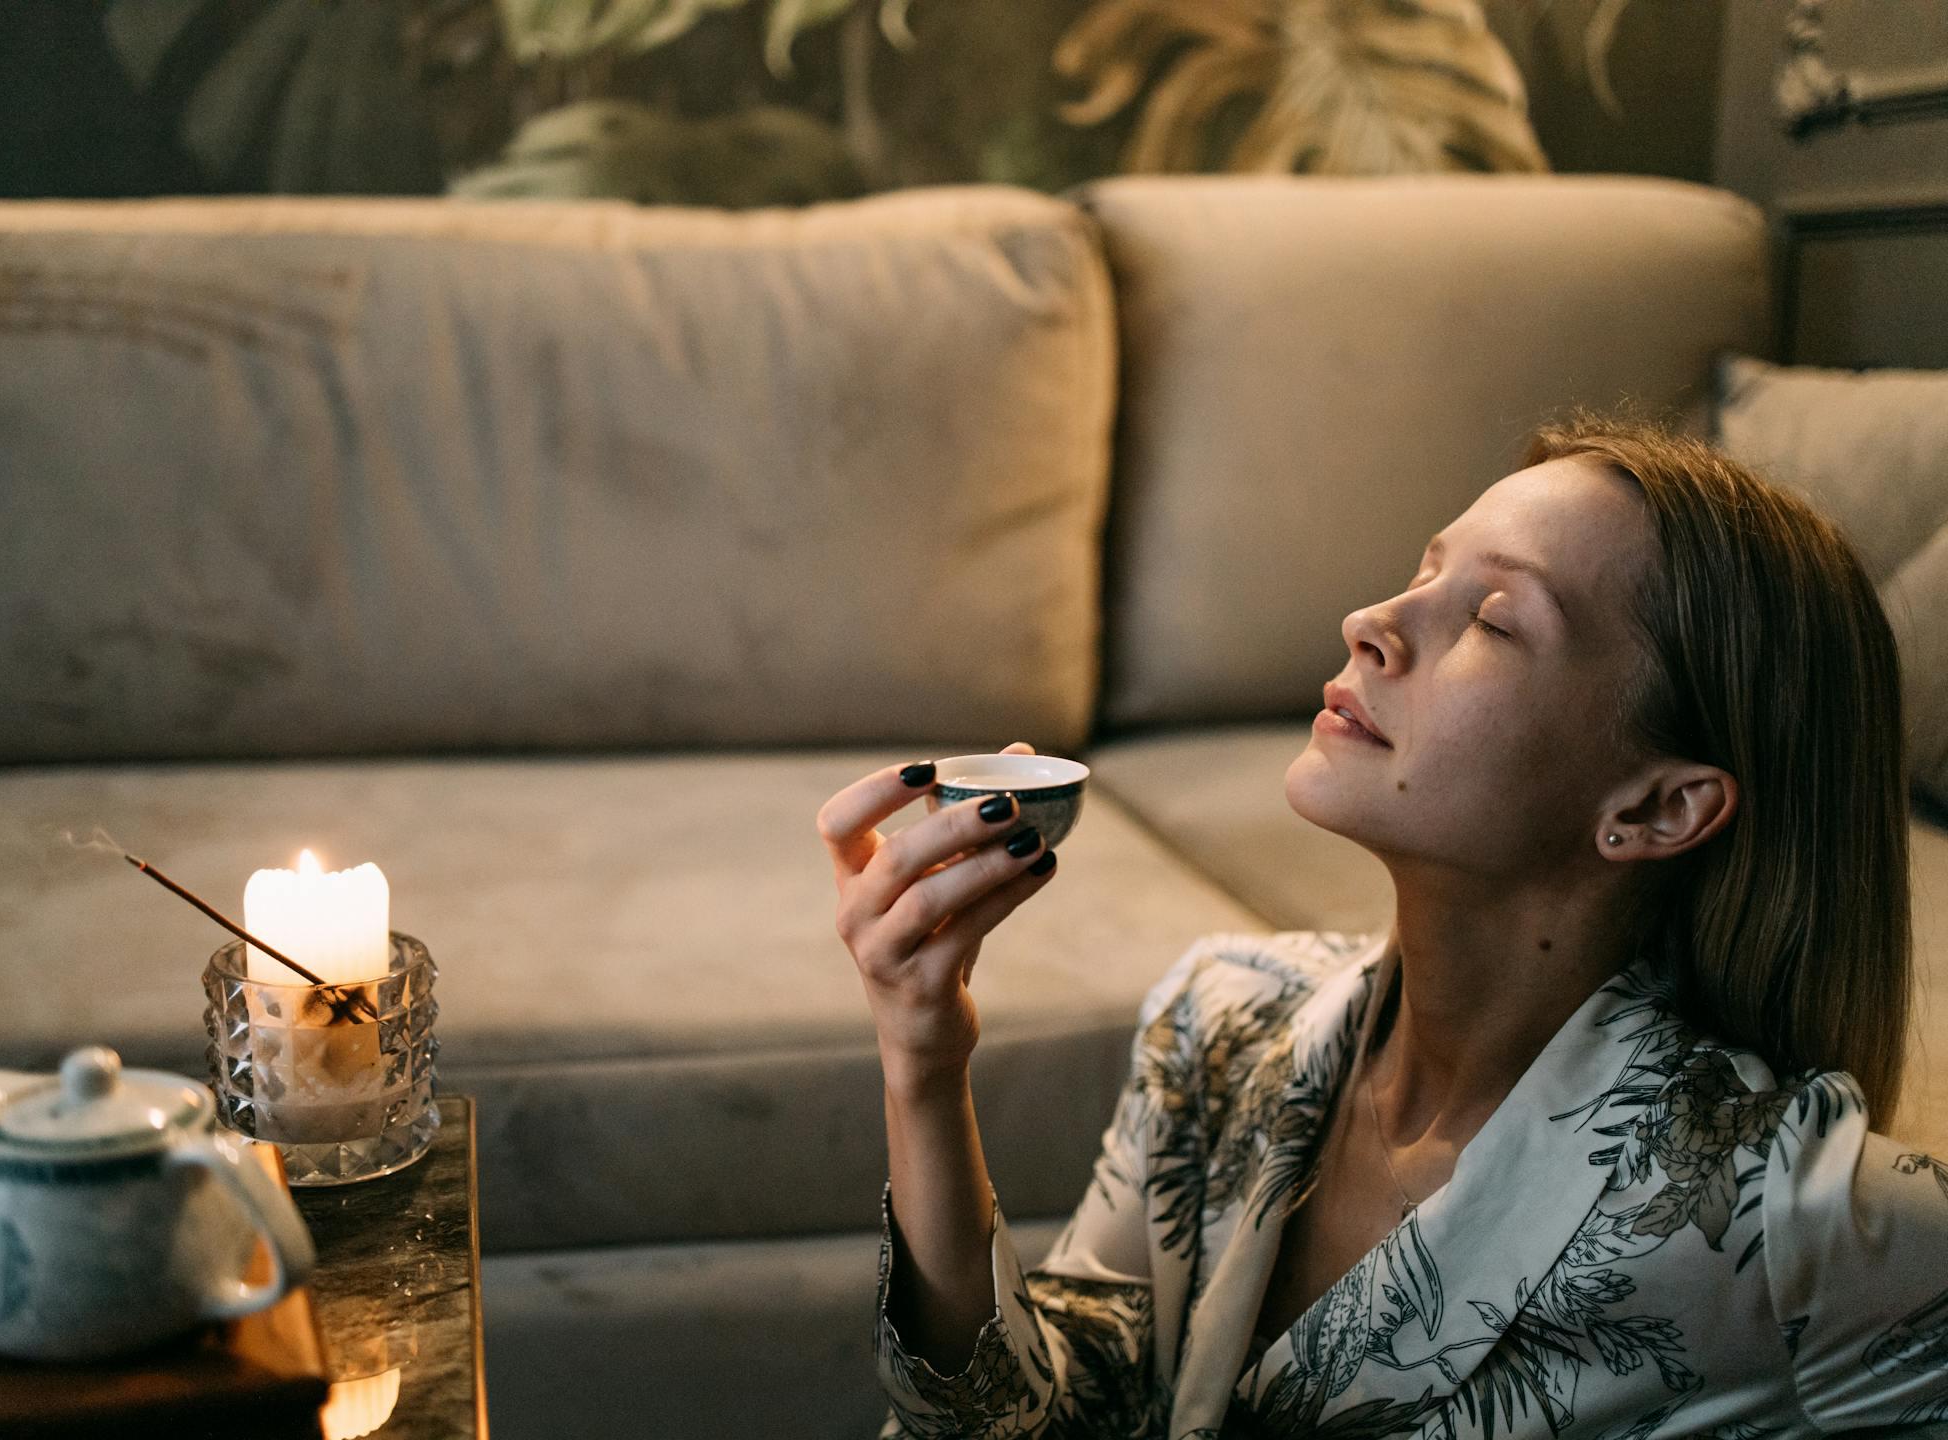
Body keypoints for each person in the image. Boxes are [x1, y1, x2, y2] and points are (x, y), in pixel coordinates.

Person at [817, 416, 1948, 1437]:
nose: (1370, 622)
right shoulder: (1223, 1016)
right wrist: (924, 1060)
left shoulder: (1779, 1213)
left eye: (1494, 621)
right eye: (1421, 572)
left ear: (1657, 806)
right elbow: (1030, 1421)